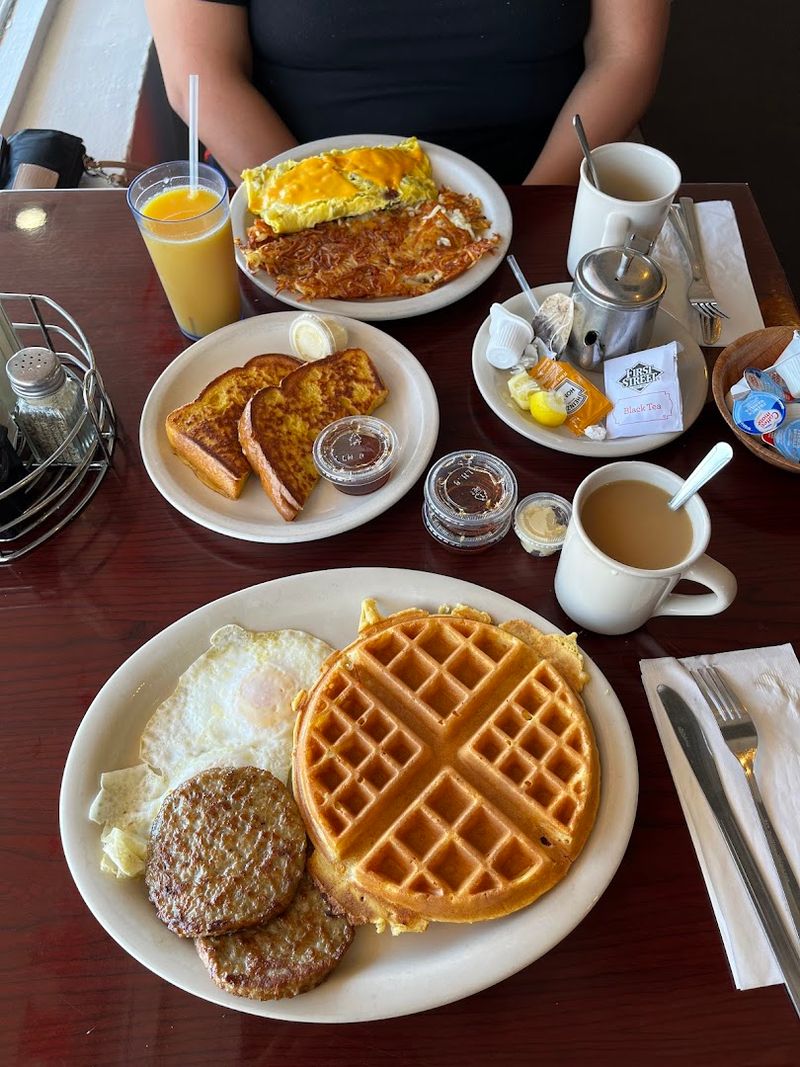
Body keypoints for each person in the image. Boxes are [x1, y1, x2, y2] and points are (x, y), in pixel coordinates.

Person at [145, 0, 671, 186]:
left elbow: (625, 57)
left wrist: (529, 211)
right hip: (299, 188)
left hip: (544, 185)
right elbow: (199, 72)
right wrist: (321, 213)